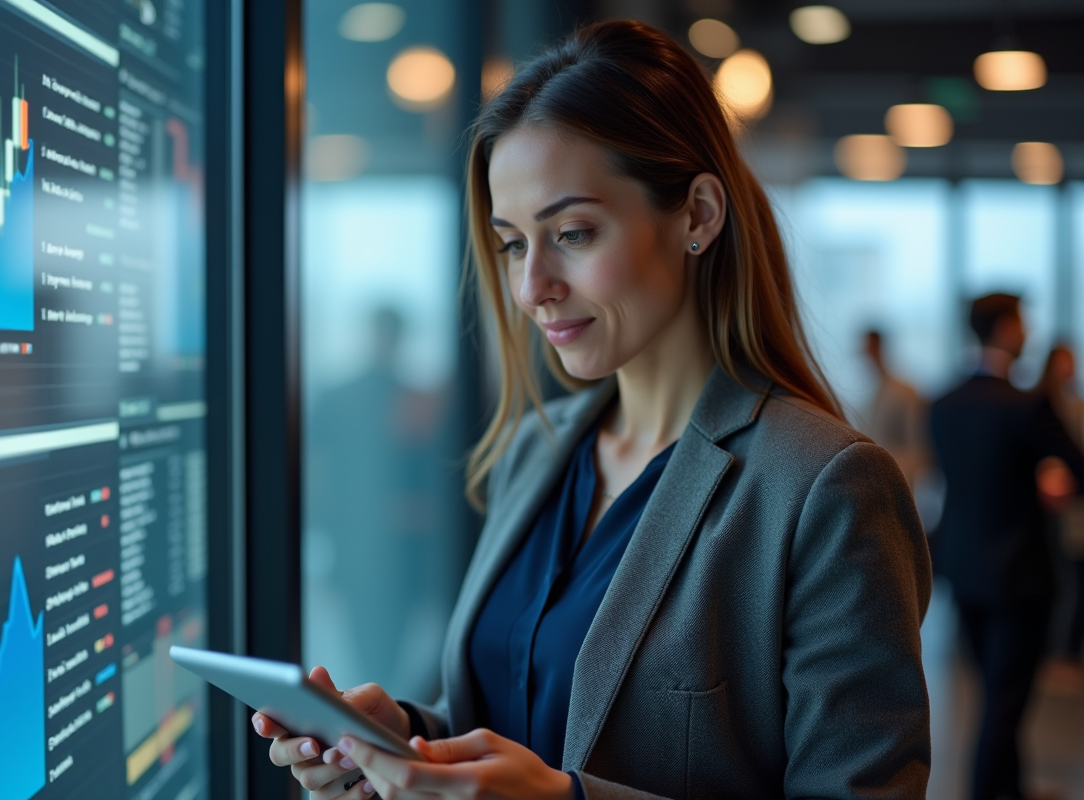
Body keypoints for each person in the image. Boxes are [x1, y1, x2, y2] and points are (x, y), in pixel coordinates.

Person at [257, 20, 932, 800]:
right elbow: (531, 717)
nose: (530, 287)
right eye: (513, 244)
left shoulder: (824, 488)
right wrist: (409, 741)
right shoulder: (533, 452)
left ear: (698, 216)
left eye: (572, 233)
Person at [930, 295, 1084, 800]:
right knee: (1006, 699)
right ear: (1004, 328)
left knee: (995, 693)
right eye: (1022, 323)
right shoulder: (1025, 405)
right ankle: (985, 792)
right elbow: (1077, 469)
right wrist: (1056, 486)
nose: (1028, 333)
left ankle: (1010, 789)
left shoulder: (943, 403)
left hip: (964, 570)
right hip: (1020, 575)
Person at [1035, 343, 1084, 691]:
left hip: (1072, 508)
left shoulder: (1077, 406)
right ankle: (1055, 651)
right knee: (1059, 579)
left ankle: (1063, 651)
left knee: (1072, 579)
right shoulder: (1035, 405)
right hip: (1042, 511)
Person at [861, 330, 930, 491]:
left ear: (878, 347)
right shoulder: (869, 395)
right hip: (873, 478)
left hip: (899, 477)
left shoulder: (903, 392)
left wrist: (912, 478)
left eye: (869, 347)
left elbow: (917, 442)